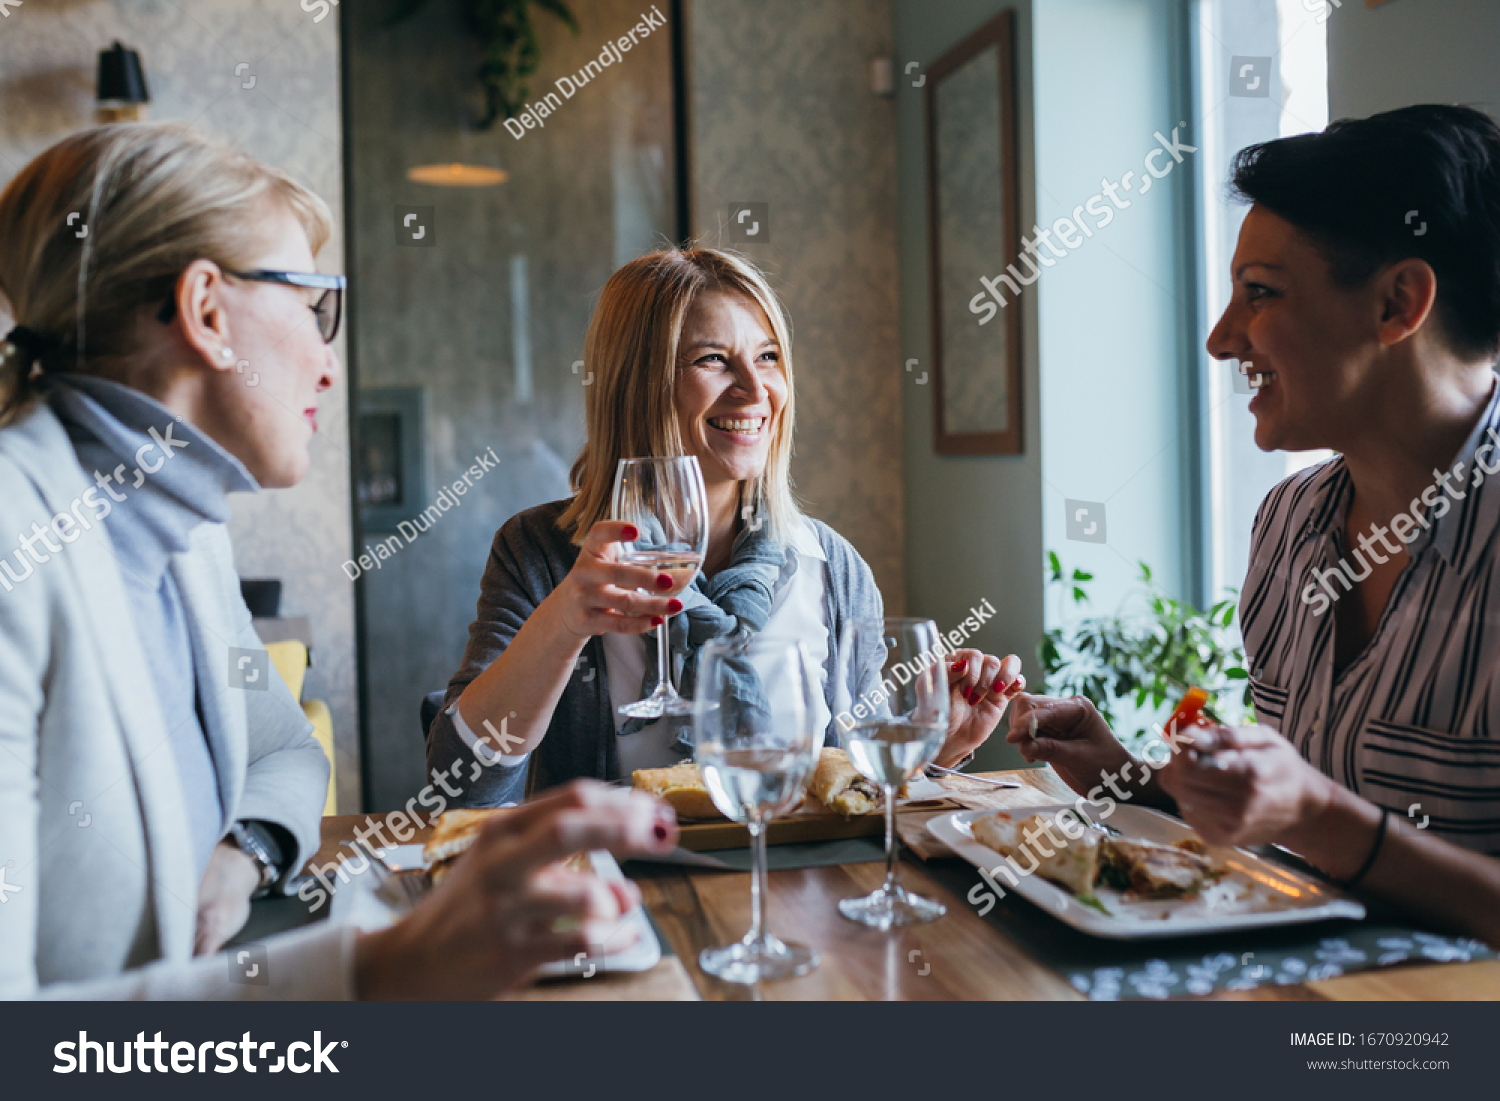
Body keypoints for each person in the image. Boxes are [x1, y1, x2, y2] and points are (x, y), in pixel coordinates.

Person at [0, 122, 676, 1000]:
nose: (329, 364)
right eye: (316, 306)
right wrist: (384, 968)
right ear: (207, 309)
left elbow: (283, 751)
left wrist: (244, 852)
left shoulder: (185, 530)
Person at [1009, 104, 1500, 944]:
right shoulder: (1288, 524)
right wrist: (1131, 779)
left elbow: (1324, 823)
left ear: (1398, 302)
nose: (1219, 338)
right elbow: (1292, 843)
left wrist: (1317, 813)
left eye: (1260, 293)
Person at [428, 248, 1026, 804]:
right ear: (637, 384)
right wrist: (562, 623)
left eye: (768, 357)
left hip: (800, 897)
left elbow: (856, 792)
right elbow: (462, 792)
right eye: (713, 359)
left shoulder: (832, 566)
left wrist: (938, 749)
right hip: (622, 903)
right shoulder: (540, 553)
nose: (754, 389)